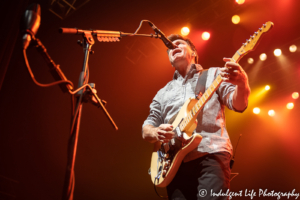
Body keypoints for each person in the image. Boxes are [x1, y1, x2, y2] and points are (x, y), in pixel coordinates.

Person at [142, 34, 250, 200]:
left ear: (193, 52)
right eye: (169, 48)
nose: (173, 47)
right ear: (170, 60)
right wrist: (156, 132)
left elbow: (238, 105)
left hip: (211, 153)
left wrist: (242, 84)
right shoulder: (162, 93)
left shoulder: (214, 75)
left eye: (179, 43)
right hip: (174, 165)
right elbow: (146, 128)